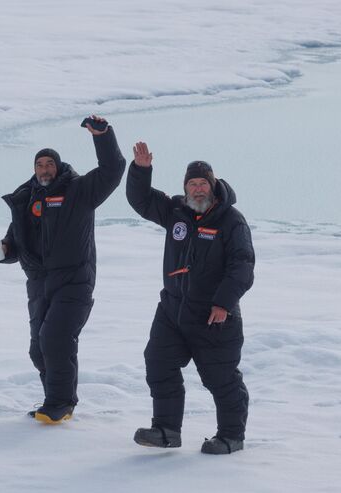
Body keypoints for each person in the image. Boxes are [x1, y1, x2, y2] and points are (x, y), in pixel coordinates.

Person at [0, 115, 126, 424]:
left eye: (50, 164)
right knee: (39, 348)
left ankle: (60, 403)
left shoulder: (78, 191)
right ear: (34, 170)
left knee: (55, 339)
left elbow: (112, 171)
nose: (45, 170)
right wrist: (3, 251)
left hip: (74, 281)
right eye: (40, 165)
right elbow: (16, 241)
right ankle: (54, 398)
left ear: (59, 166)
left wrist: (102, 136)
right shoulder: (27, 199)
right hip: (39, 283)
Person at [126, 141, 254, 454]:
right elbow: (141, 200)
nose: (197, 190)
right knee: (158, 362)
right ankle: (167, 430)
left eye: (202, 184)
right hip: (172, 310)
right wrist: (142, 170)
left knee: (220, 377)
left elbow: (243, 265)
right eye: (192, 184)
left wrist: (223, 303)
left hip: (213, 315)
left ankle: (231, 436)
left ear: (213, 186)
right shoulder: (176, 212)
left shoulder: (231, 221)